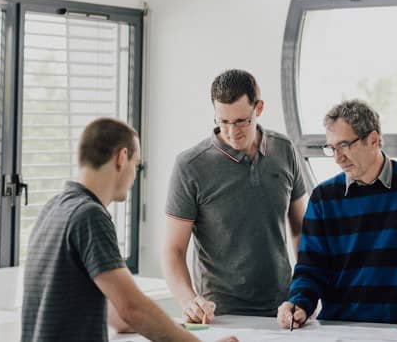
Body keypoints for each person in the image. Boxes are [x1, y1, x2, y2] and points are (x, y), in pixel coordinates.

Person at [21, 118, 237, 342]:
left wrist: (179, 328)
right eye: (136, 164)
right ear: (121, 158)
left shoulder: (54, 208)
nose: (135, 176)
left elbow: (118, 316)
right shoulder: (89, 216)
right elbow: (132, 308)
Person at [276, 99, 397, 333]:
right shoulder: (324, 197)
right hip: (340, 330)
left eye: (344, 146)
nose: (337, 158)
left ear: (373, 140)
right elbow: (311, 269)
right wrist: (299, 304)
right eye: (331, 148)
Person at [163, 69, 307, 322]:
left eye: (242, 121)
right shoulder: (190, 166)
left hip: (282, 310)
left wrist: (303, 293)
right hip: (220, 313)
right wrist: (189, 301)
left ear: (258, 108)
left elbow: (300, 230)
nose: (232, 131)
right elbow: (173, 250)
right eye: (223, 122)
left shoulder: (284, 150)